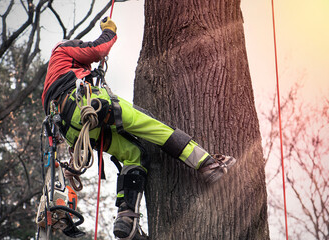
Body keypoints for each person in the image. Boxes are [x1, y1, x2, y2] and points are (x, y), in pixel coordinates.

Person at [41, 17, 236, 239]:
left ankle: (126, 219)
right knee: (149, 123)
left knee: (135, 155)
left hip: (74, 131)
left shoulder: (52, 86)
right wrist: (109, 32)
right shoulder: (63, 49)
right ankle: (208, 164)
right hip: (87, 106)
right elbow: (97, 49)